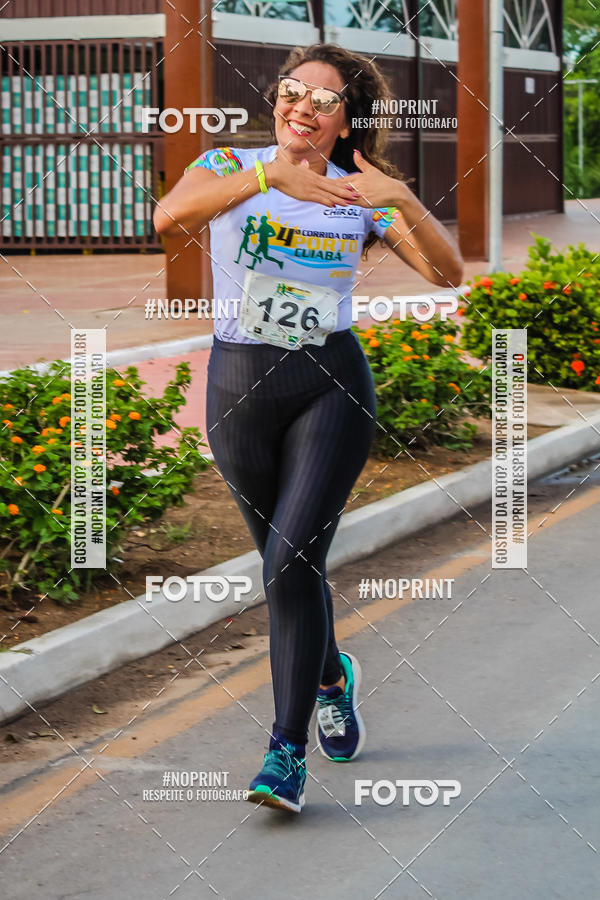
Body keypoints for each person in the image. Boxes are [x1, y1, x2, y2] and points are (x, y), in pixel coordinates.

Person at [154, 43, 463, 814]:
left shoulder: (363, 195)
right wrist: (269, 177)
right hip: (237, 388)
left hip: (329, 383)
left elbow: (447, 274)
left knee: (292, 562)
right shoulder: (230, 163)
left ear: (347, 116)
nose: (301, 106)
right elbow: (168, 218)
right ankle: (332, 676)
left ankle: (284, 752)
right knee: (284, 567)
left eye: (322, 99)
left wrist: (402, 200)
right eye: (292, 91)